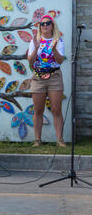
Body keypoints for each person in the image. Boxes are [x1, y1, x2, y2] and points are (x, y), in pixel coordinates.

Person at [28, 14, 66, 147]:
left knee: (56, 109)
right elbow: (30, 61)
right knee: (38, 110)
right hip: (38, 77)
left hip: (54, 76)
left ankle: (60, 140)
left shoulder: (58, 41)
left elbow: (60, 60)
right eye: (42, 24)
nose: (44, 25)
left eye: (47, 23)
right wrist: (37, 47)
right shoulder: (35, 41)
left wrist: (54, 49)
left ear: (52, 26)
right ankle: (37, 140)